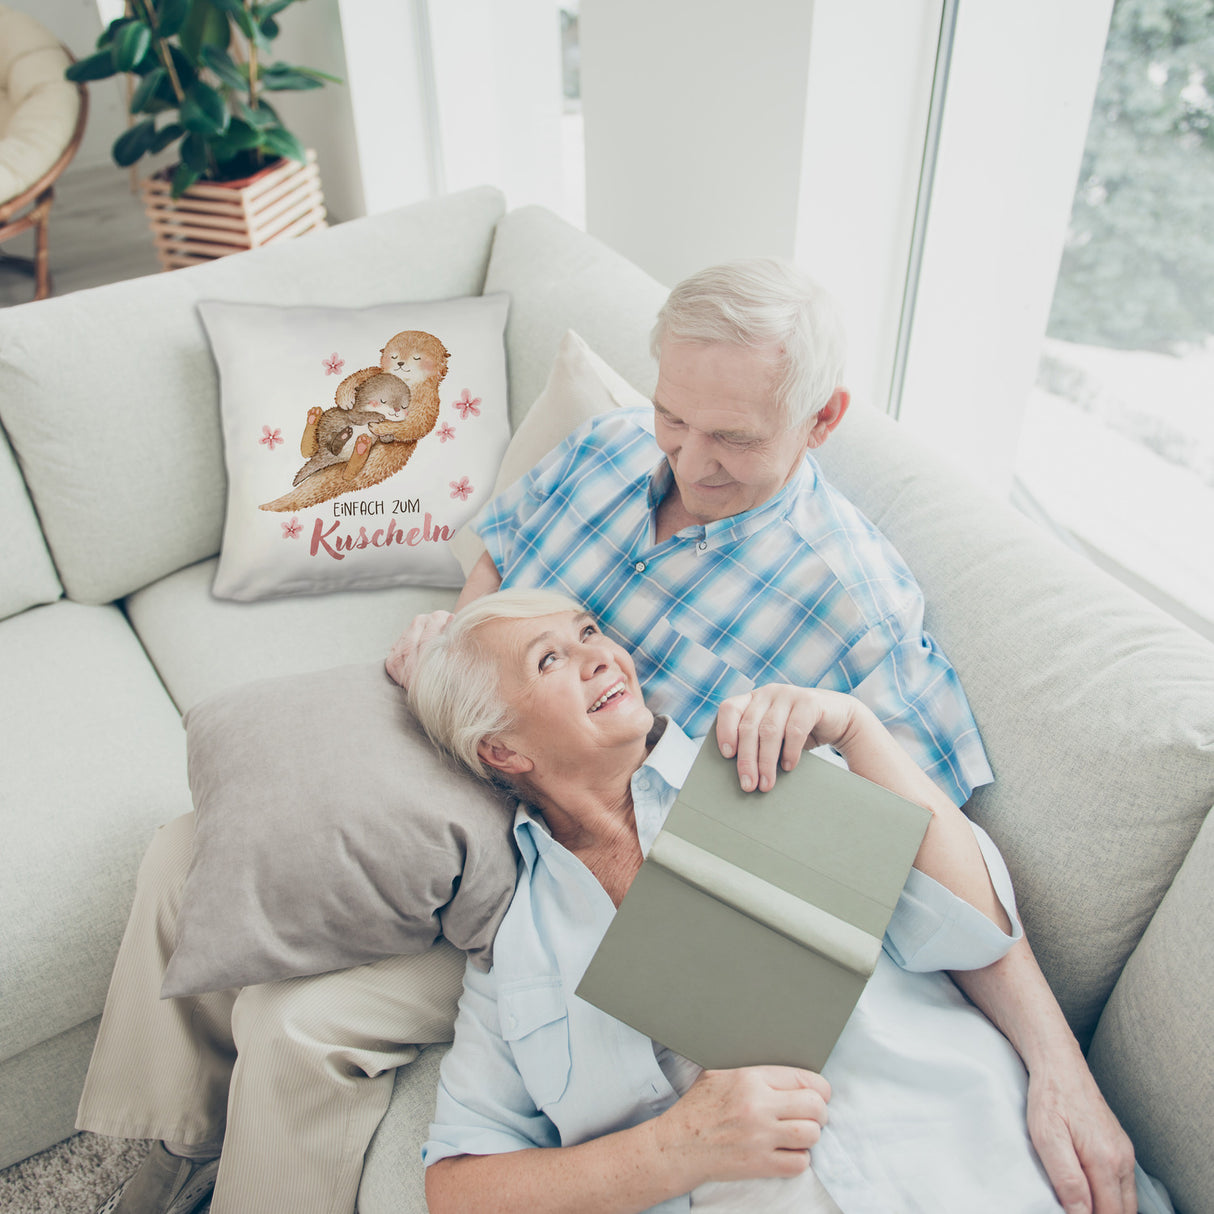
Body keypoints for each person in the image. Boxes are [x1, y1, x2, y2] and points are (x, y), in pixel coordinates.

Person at [79, 260, 1132, 1214]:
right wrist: (458, 642)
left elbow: (927, 855)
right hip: (485, 745)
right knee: (192, 847)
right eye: (675, 416)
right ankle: (160, 1148)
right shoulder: (608, 447)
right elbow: (498, 559)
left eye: (732, 438)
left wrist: (1058, 1064)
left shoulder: (854, 608)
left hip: (577, 852)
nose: (688, 458)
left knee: (300, 1023)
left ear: (820, 420)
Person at [407, 588, 1160, 1214]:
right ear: (502, 750)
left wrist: (859, 731)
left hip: (985, 1166)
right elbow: (458, 1187)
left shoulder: (762, 761)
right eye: (550, 659)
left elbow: (972, 929)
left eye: (589, 632)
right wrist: (674, 1149)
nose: (601, 654)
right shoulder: (516, 952)